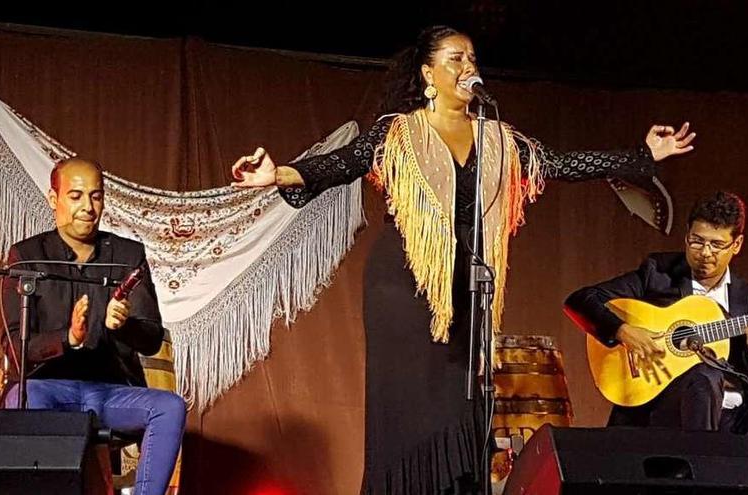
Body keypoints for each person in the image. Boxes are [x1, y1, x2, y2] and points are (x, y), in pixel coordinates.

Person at [232, 25, 695, 494]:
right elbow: (341, 164)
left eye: (472, 58)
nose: (467, 66)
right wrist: (279, 174)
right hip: (404, 288)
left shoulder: (497, 137)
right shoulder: (398, 132)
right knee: (410, 411)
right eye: (455, 58)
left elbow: (559, 163)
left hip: (470, 283)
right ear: (428, 72)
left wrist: (642, 155)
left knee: (464, 402)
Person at [565, 191, 748, 495]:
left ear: (736, 245)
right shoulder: (658, 274)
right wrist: (622, 330)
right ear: (686, 236)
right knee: (705, 376)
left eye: (716, 244)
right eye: (697, 241)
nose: (705, 252)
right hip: (673, 410)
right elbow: (580, 300)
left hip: (738, 414)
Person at [1, 157, 187, 495]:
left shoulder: (127, 255)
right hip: (48, 389)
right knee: (20, 399)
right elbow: (15, 348)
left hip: (110, 391)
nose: (88, 207)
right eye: (75, 196)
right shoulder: (27, 257)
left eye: (96, 196)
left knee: (169, 406)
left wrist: (124, 325)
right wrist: (68, 338)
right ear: (53, 199)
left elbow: (151, 338)